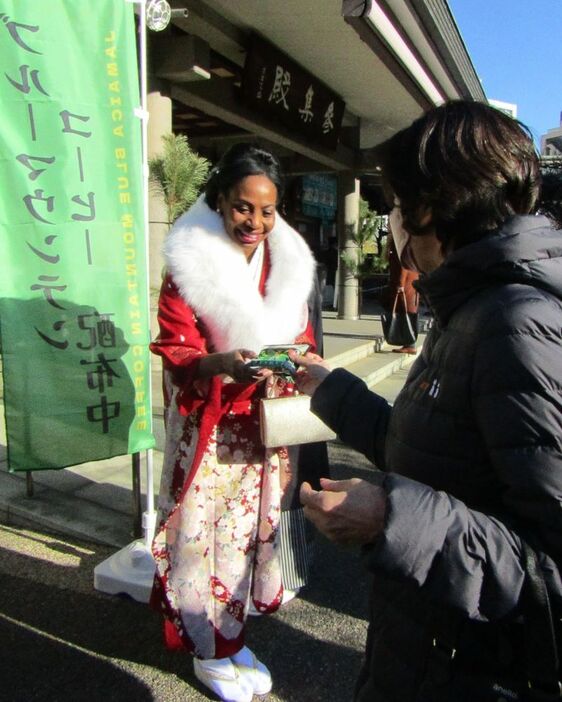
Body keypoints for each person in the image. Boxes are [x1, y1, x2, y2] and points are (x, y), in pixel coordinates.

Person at [291, 101, 562, 701]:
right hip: (422, 651)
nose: (390, 220)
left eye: (395, 203)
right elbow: (427, 450)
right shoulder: (471, 304)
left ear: (431, 209)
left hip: (471, 672)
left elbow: (552, 569)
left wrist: (392, 517)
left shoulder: (516, 323)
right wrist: (328, 386)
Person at [149, 143, 325, 702]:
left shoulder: (288, 264)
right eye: (243, 208)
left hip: (265, 427)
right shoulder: (189, 265)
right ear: (221, 199)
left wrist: (305, 359)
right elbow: (177, 352)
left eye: (267, 211)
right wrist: (223, 363)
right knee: (205, 537)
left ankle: (231, 635)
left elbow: (301, 336)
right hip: (212, 424)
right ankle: (207, 647)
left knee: (250, 537)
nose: (255, 222)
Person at [383, 227, 419, 354]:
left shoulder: (401, 242)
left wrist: (400, 283)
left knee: (406, 312)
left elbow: (404, 264)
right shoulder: (408, 241)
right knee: (408, 312)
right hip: (410, 283)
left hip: (405, 285)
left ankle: (410, 343)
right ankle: (409, 342)